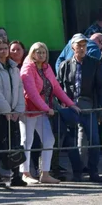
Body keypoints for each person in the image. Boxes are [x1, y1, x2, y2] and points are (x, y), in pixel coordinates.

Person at [20, 43, 77, 185]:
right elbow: (31, 93)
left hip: (42, 110)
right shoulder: (27, 68)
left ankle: (45, 173)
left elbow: (56, 88)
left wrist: (71, 104)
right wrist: (46, 108)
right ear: (32, 53)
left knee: (49, 140)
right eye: (38, 52)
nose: (41, 55)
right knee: (27, 141)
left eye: (44, 52)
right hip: (29, 110)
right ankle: (25, 174)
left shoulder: (46, 67)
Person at [56, 34, 102, 183]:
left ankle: (93, 171)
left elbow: (100, 87)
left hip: (88, 104)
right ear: (72, 47)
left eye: (84, 45)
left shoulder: (94, 63)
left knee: (94, 139)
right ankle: (77, 172)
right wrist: (62, 104)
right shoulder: (65, 65)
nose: (81, 48)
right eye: (79, 45)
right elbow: (59, 86)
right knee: (72, 142)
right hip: (70, 105)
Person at [0, 40, 24, 187]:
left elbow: (20, 88)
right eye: (0, 49)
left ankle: (16, 175)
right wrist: (6, 110)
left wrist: (18, 110)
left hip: (13, 112)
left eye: (5, 48)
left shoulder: (14, 68)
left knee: (15, 145)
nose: (3, 51)